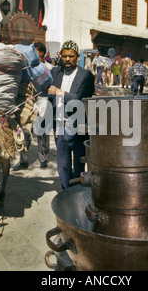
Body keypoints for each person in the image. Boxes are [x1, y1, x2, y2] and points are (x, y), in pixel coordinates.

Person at [47, 40, 95, 189]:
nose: (67, 59)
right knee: (63, 164)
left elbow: (80, 98)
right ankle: (66, 192)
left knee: (80, 164)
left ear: (77, 56)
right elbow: (46, 90)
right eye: (64, 56)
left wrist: (60, 93)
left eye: (71, 56)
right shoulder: (55, 72)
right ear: (60, 56)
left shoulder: (86, 75)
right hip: (60, 126)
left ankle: (78, 192)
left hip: (77, 127)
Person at [13, 41, 51, 170]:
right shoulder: (25, 70)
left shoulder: (47, 69)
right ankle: (23, 160)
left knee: (43, 132)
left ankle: (43, 159)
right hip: (27, 103)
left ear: (43, 55)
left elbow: (50, 87)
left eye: (38, 56)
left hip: (43, 101)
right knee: (24, 130)